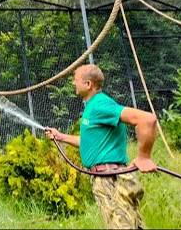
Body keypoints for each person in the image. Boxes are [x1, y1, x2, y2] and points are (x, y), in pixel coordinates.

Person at [45, 64, 158, 229]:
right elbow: (89, 142)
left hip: (110, 178)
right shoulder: (92, 106)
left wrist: (144, 157)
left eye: (75, 80)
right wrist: (60, 136)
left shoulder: (100, 104)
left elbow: (147, 119)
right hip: (104, 177)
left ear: (88, 84)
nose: (73, 84)